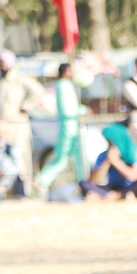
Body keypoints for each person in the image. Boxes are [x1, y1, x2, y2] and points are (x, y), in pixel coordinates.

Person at [0, 50, 44, 192]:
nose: (1, 65)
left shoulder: (20, 79)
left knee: (21, 156)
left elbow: (38, 91)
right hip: (1, 126)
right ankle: (5, 190)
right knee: (1, 158)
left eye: (3, 62)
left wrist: (25, 107)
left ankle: (24, 190)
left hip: (17, 125)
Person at [36, 62, 85, 193]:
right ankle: (41, 181)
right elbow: (68, 110)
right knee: (61, 158)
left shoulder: (67, 85)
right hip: (68, 125)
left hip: (72, 125)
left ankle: (83, 183)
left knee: (77, 159)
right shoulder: (63, 85)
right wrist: (82, 110)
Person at [80, 123, 137, 200]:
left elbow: (134, 177)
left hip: (129, 187)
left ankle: (115, 195)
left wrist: (116, 162)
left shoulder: (133, 153)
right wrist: (107, 161)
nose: (110, 145)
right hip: (112, 187)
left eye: (112, 142)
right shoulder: (103, 156)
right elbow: (94, 181)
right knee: (84, 184)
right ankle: (117, 195)